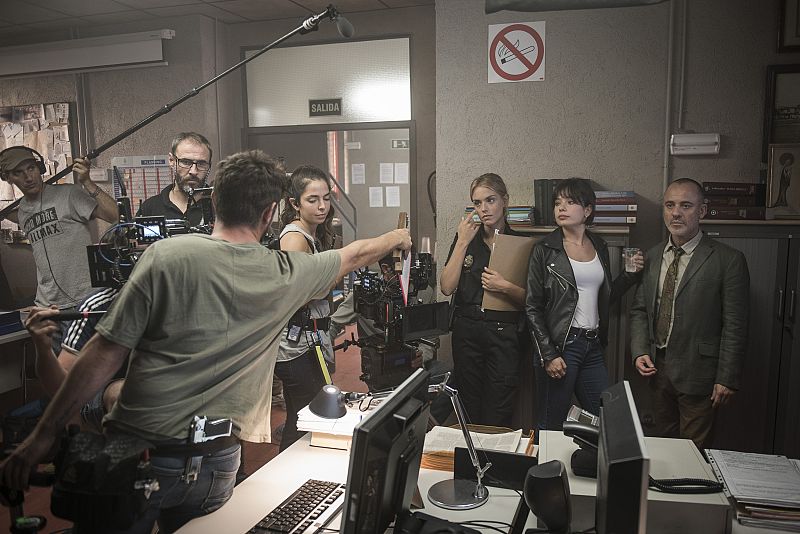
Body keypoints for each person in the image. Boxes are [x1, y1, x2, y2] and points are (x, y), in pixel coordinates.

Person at [0, 149, 412, 532]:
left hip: (136, 457)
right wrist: (397, 238)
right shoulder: (286, 273)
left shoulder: (165, 257)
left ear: (215, 203)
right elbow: (356, 254)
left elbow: (100, 356)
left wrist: (42, 436)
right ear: (271, 212)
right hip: (215, 461)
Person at [630, 178, 749, 449]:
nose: (675, 213)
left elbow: (736, 325)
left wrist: (726, 377)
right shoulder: (653, 255)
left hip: (701, 375)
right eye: (670, 205)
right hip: (657, 373)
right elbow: (639, 309)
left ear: (702, 212)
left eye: (685, 206)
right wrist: (639, 350)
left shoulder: (728, 260)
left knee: (694, 455)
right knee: (661, 448)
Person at [526, 178, 642, 431]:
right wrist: (549, 354)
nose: (561, 208)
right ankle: (548, 470)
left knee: (605, 420)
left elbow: (604, 297)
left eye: (570, 202)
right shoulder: (544, 249)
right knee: (551, 424)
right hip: (561, 347)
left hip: (592, 346)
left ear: (588, 210)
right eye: (558, 203)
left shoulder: (598, 245)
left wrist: (630, 276)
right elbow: (532, 306)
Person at [0, 146, 119, 353]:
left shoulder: (70, 194)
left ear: (40, 168)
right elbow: (8, 215)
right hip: (47, 307)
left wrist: (88, 183)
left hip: (84, 301)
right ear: (8, 178)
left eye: (31, 168)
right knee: (56, 378)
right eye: (18, 173)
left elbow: (114, 215)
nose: (28, 177)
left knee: (88, 377)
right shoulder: (22, 213)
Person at [440, 173, 527, 427]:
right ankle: (471, 465)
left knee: (499, 410)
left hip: (504, 333)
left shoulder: (520, 243)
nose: (484, 209)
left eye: (490, 200)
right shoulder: (466, 239)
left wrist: (505, 287)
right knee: (467, 407)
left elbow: (532, 300)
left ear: (504, 201)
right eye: (477, 203)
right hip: (467, 331)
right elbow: (446, 287)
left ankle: (494, 464)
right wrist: (462, 243)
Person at [274, 164, 337, 451]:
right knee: (303, 419)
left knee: (306, 416)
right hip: (297, 346)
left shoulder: (313, 233)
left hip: (311, 341)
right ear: (294, 203)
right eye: (313, 199)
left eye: (326, 198)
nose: (322, 206)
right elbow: (300, 292)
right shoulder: (294, 237)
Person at [24, 287, 123, 432]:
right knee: (123, 394)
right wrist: (43, 349)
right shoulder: (99, 305)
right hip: (106, 397)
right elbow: (61, 389)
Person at [136, 132, 214, 226]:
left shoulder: (221, 207)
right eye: (186, 162)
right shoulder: (150, 208)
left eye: (201, 164)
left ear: (209, 165)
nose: (193, 171)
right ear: (172, 161)